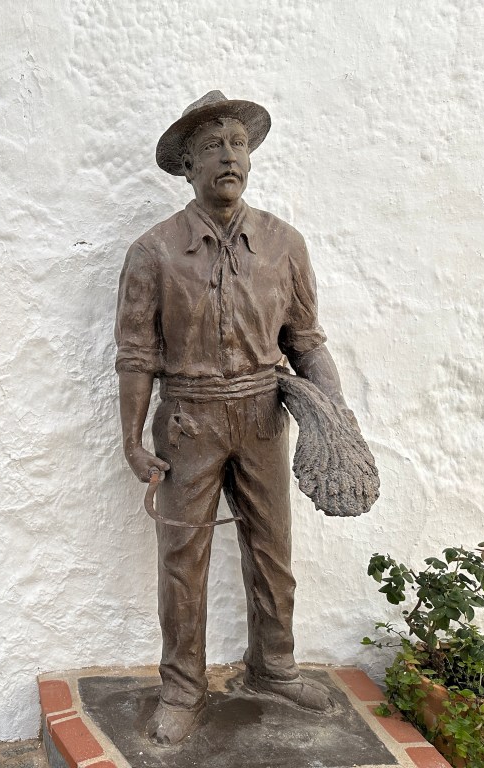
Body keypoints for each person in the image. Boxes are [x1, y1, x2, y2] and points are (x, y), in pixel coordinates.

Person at [115, 91, 346, 746]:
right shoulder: (153, 253)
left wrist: (335, 413)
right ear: (186, 165)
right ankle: (182, 689)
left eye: (238, 143)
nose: (229, 155)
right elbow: (135, 355)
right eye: (212, 145)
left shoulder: (284, 245)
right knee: (182, 559)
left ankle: (273, 667)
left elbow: (306, 342)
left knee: (273, 549)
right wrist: (131, 441)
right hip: (188, 421)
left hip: (265, 416)